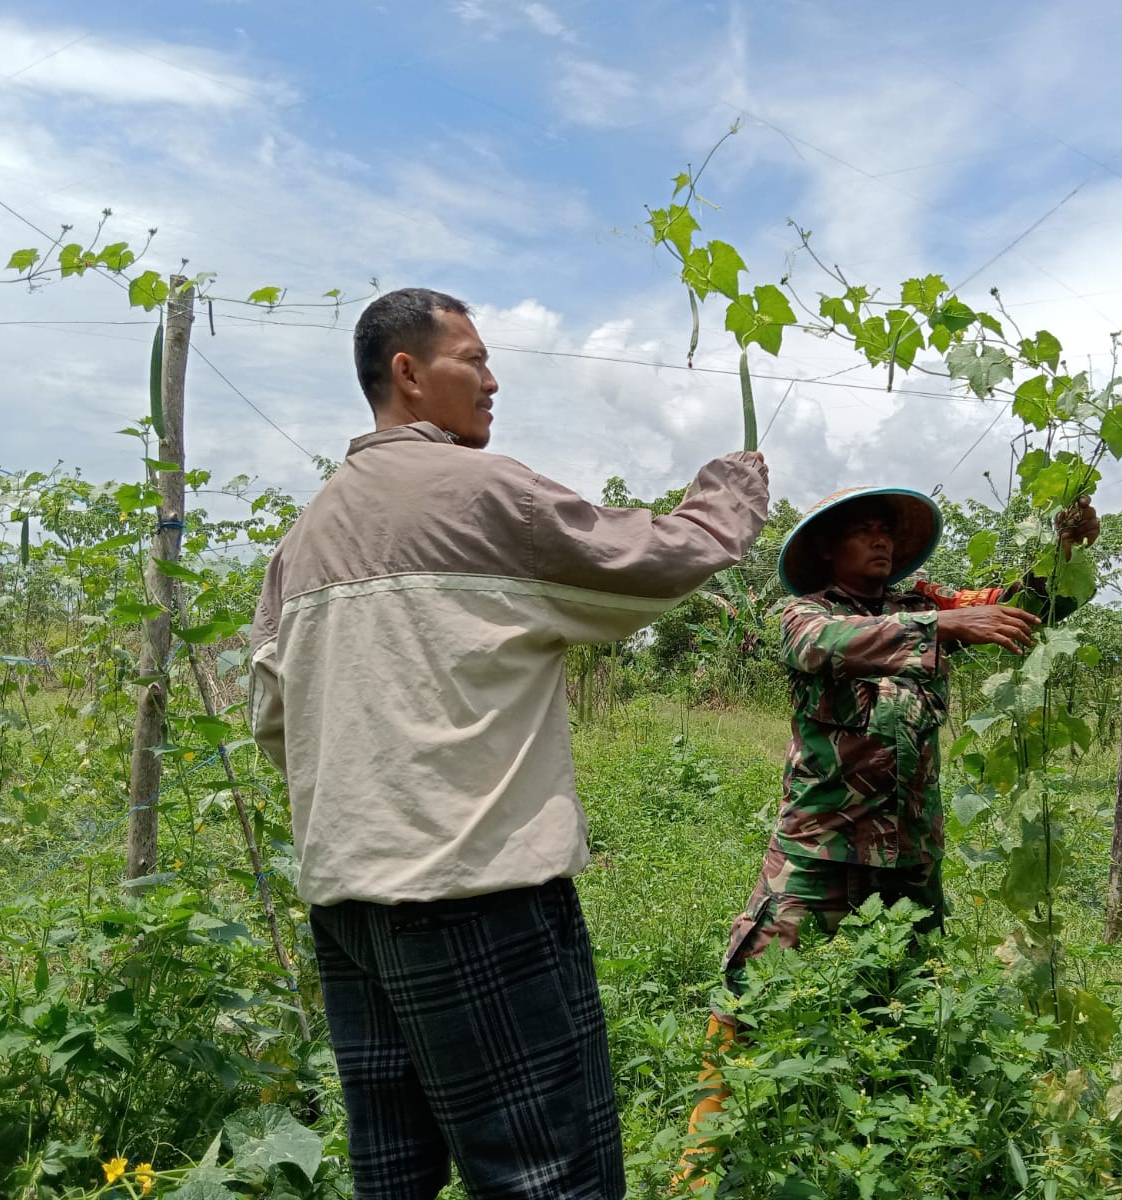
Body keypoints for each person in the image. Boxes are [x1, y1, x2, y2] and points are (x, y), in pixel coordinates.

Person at [249, 287, 770, 1200]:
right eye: (474, 361)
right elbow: (651, 565)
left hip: (347, 905)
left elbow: (272, 722)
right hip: (476, 897)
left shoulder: (305, 536)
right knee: (548, 1177)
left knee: (396, 1176)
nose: (494, 381)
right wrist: (729, 496)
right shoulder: (484, 494)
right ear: (408, 374)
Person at [677, 485, 1098, 1176]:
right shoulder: (806, 612)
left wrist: (1064, 551)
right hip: (821, 844)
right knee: (752, 983)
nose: (881, 543)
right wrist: (943, 632)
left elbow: (1023, 610)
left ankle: (896, 1144)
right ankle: (699, 1154)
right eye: (864, 531)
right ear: (826, 547)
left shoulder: (923, 605)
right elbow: (820, 646)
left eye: (887, 532)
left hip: (909, 849)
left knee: (909, 987)